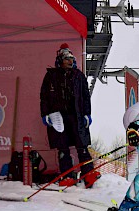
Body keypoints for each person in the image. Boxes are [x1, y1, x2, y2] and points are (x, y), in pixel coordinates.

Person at [40, 43, 100, 188]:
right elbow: (44, 97)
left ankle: (88, 174)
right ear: (60, 60)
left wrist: (87, 114)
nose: (70, 61)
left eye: (72, 59)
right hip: (58, 117)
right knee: (63, 148)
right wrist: (45, 115)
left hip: (77, 117)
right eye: (67, 59)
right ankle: (67, 176)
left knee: (82, 147)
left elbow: (86, 97)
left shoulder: (79, 76)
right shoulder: (51, 75)